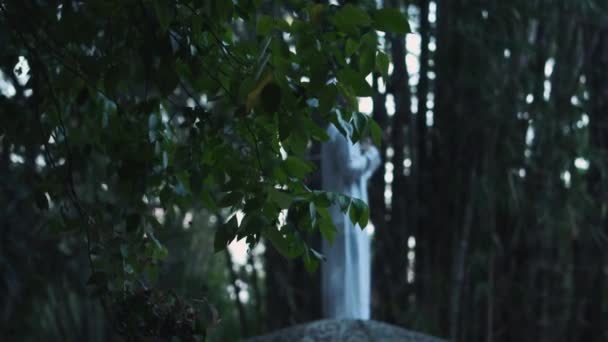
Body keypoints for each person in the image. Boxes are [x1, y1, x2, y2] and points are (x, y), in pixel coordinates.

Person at [321, 123, 382, 319]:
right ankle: (351, 319)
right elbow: (350, 167)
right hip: (348, 215)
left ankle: (346, 317)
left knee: (340, 271)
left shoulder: (331, 128)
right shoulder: (343, 127)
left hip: (338, 214)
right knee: (350, 271)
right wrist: (371, 155)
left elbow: (357, 174)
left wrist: (368, 159)